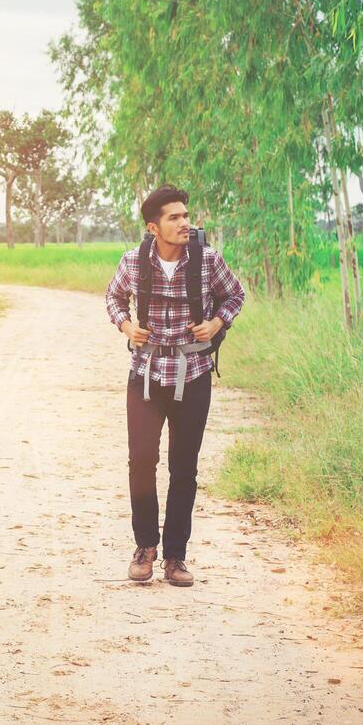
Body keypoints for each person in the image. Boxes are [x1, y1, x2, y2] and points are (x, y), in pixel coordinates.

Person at [104, 186, 246, 586]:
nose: (185, 223)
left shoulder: (207, 260)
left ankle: (175, 558)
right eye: (174, 217)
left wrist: (217, 323)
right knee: (141, 463)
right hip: (146, 377)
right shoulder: (133, 262)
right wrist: (127, 326)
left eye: (186, 215)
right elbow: (114, 298)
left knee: (184, 468)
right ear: (153, 227)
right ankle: (145, 548)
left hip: (193, 374)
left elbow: (235, 295)